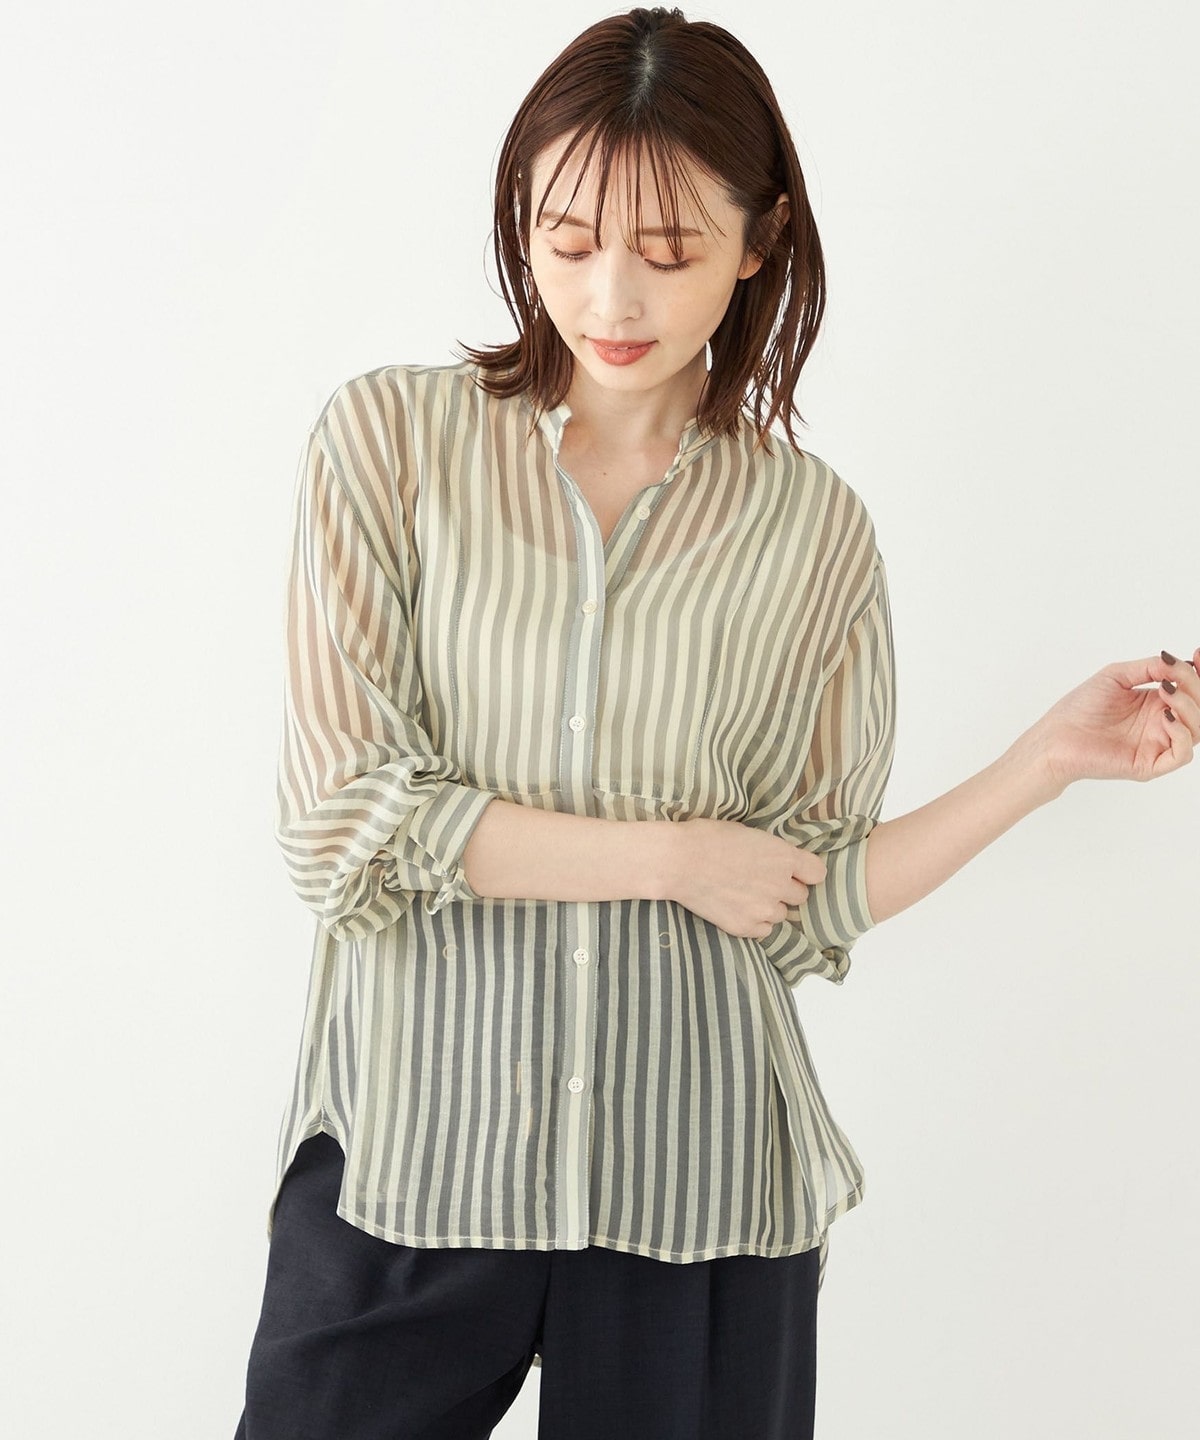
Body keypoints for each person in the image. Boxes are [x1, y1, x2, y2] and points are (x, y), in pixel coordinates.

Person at [232, 8, 1197, 1439]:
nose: (610, 293)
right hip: (412, 1158)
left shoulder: (813, 532)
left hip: (699, 1182)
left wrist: (1044, 761)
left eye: (670, 250)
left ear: (759, 240)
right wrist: (673, 856)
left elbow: (805, 895)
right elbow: (341, 824)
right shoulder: (390, 446)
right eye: (566, 240)